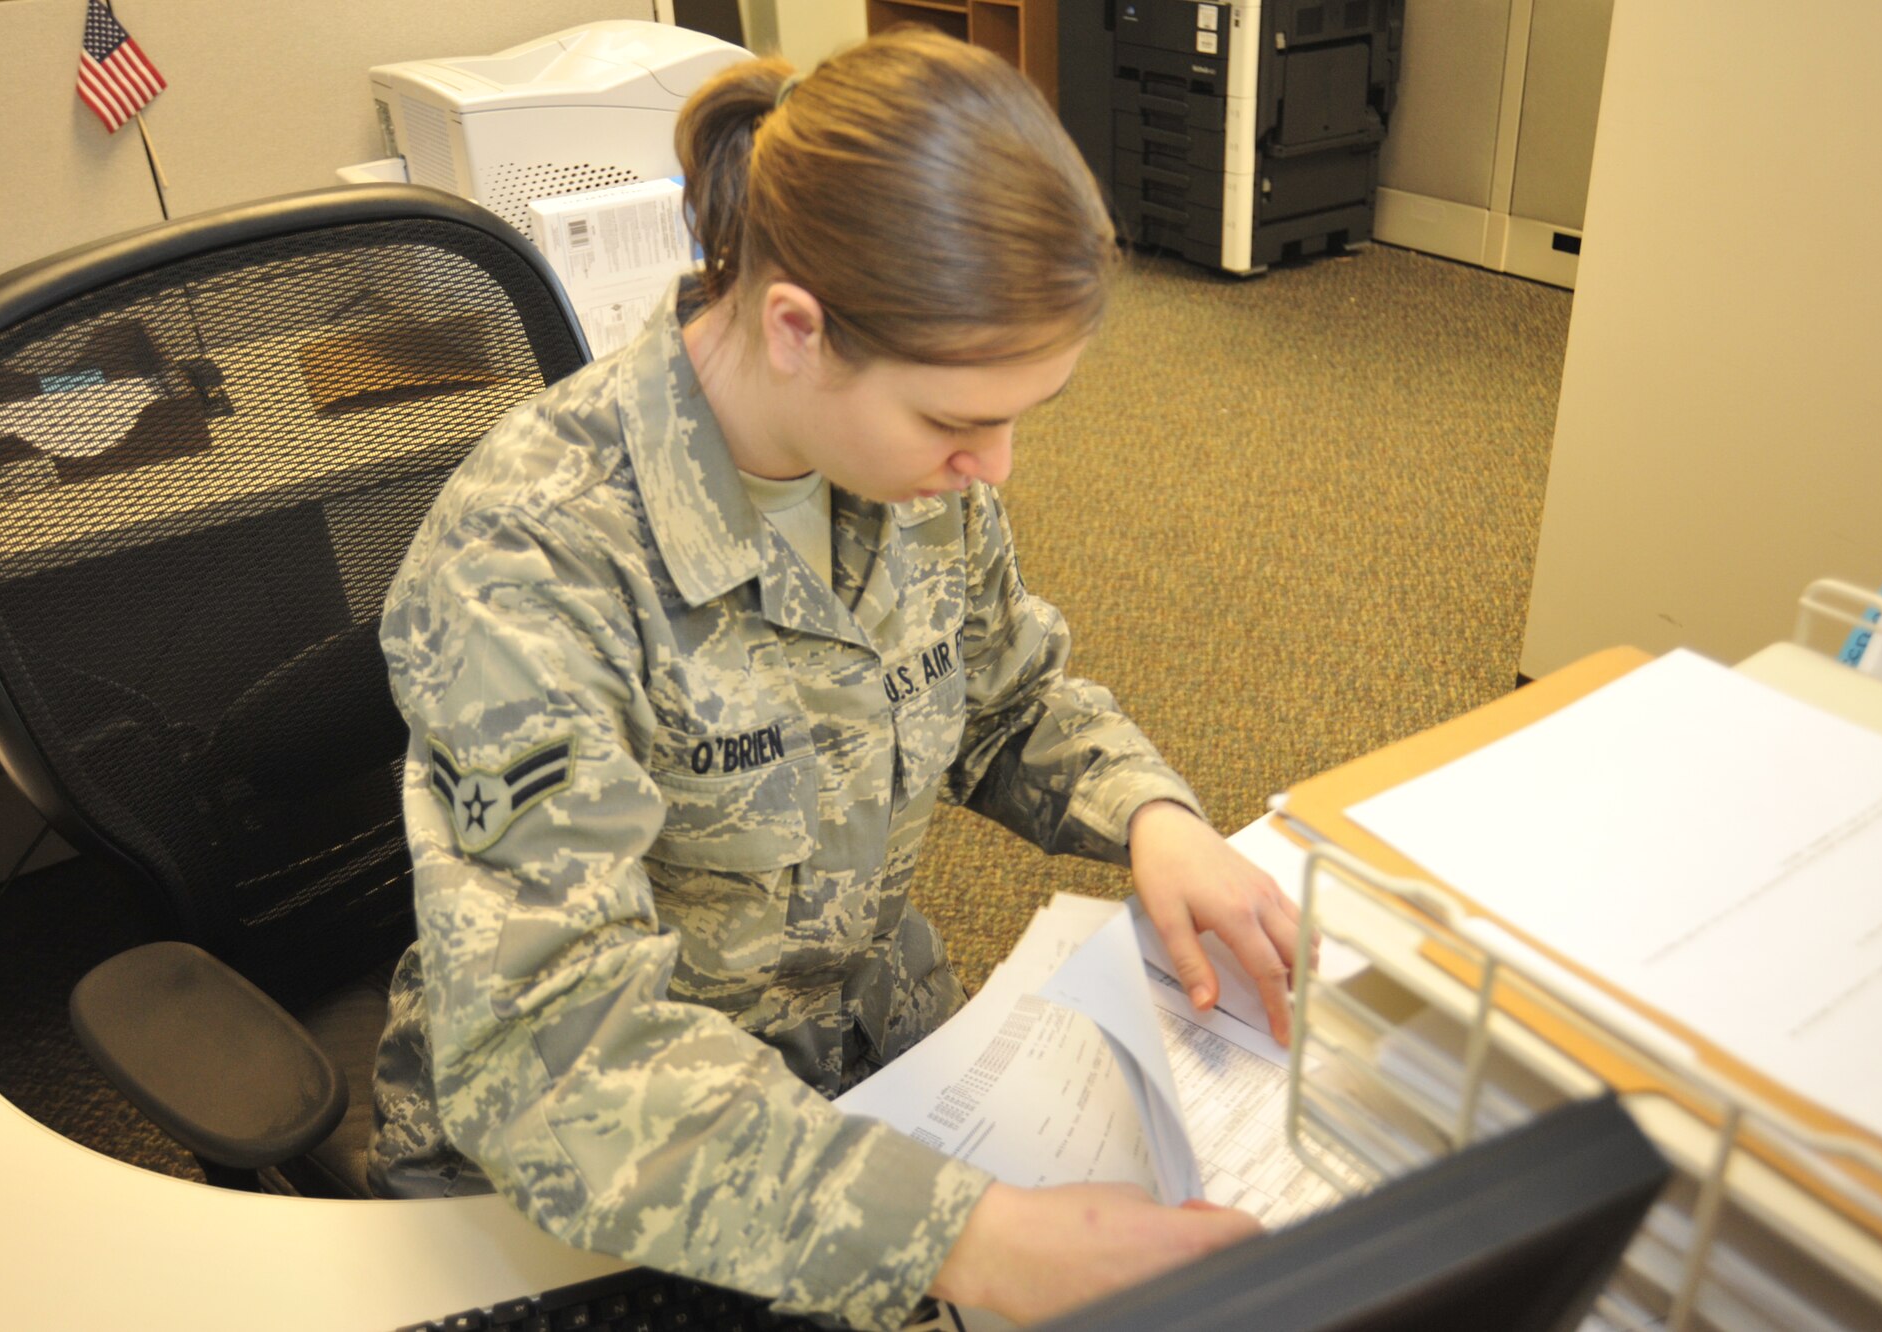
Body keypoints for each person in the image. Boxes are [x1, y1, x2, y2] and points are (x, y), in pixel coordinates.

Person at [366, 26, 1300, 1330]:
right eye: (958, 420)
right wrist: (958, 1237)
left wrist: (1154, 817)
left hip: (868, 1050)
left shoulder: (906, 477)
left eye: (1019, 415)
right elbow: (550, 1054)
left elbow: (1005, 697)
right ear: (796, 329)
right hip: (594, 1168)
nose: (999, 468)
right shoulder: (532, 561)